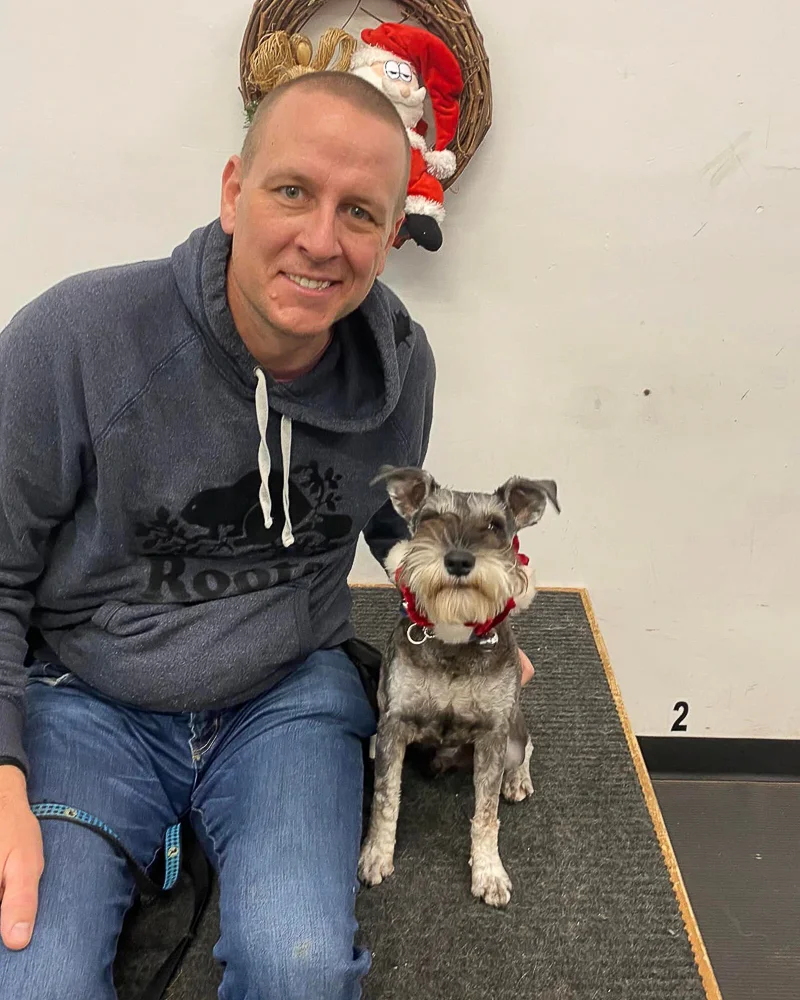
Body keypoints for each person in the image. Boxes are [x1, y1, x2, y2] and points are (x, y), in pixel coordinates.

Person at [0, 70, 534, 999]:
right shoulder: (70, 340)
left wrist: (459, 608)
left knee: (300, 970)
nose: (321, 241)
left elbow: (381, 517)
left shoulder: (401, 367)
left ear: (390, 238)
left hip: (289, 695)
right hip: (87, 696)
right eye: (292, 190)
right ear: (232, 191)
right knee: (33, 976)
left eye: (360, 212)